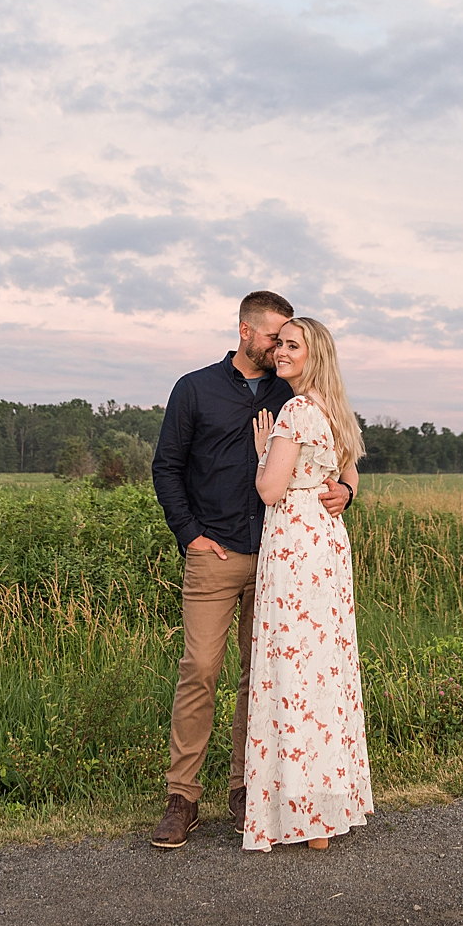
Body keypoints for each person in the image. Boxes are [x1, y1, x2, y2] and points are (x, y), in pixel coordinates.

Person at [149, 292, 357, 849]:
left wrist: (345, 490)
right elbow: (166, 467)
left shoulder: (290, 390)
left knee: (260, 677)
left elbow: (342, 448)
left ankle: (247, 790)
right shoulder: (194, 388)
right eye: (273, 336)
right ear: (246, 330)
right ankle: (182, 797)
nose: (278, 346)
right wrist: (191, 535)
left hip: (279, 561)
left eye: (288, 340)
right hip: (216, 554)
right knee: (200, 670)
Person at [242, 315, 372, 852]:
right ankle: (323, 813)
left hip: (295, 546)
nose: (281, 353)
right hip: (327, 546)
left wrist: (262, 454)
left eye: (292, 346)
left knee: (291, 671)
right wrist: (337, 485)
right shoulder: (335, 410)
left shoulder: (295, 410)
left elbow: (270, 489)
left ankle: (301, 815)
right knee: (323, 671)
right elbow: (352, 471)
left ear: (313, 353)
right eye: (280, 345)